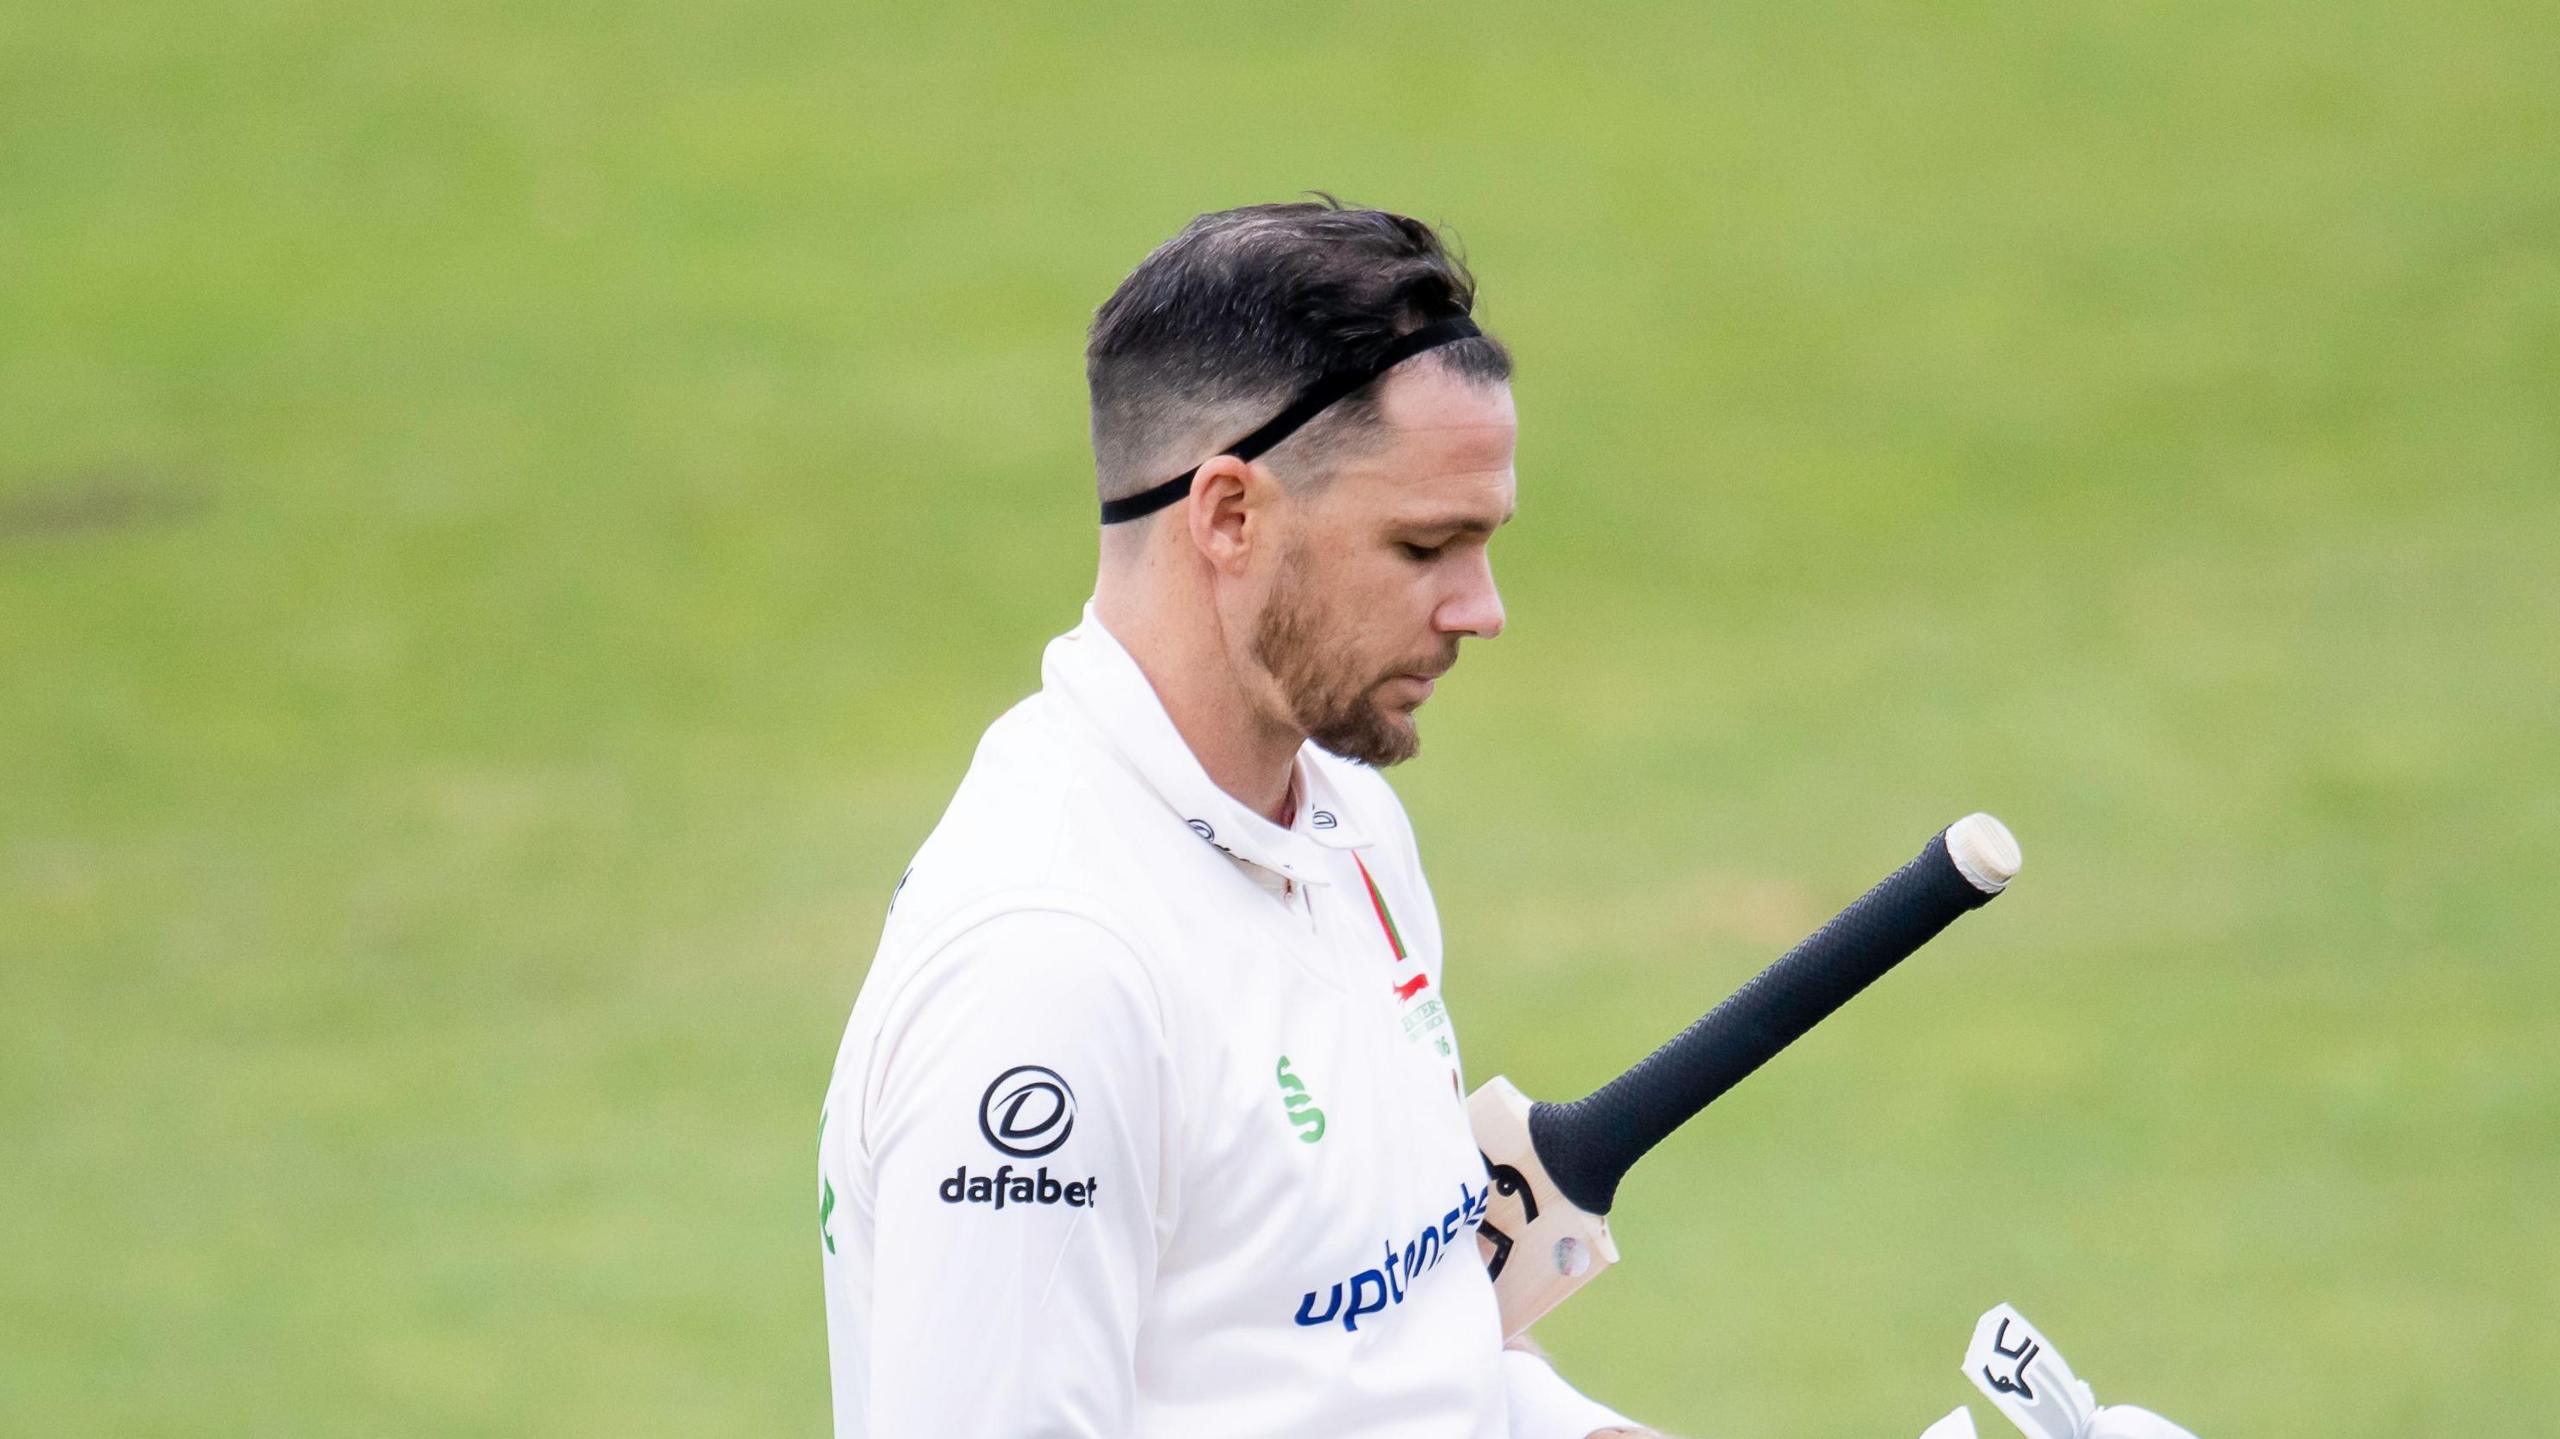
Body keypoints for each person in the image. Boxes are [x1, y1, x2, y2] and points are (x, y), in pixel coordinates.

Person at [815, 198, 1655, 1437]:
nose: (1482, 609)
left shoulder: (1345, 823)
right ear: (1227, 515)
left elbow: (1399, 1342)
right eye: (1427, 544)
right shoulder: (1053, 971)